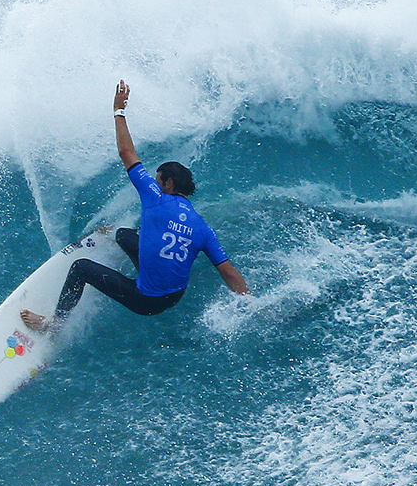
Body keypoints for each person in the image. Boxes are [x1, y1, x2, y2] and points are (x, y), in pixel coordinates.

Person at [21, 80, 248, 333]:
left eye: (158, 179)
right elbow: (228, 272)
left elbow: (127, 152)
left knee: (80, 268)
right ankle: (115, 238)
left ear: (169, 184)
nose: (154, 181)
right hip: (175, 296)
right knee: (123, 235)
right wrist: (249, 304)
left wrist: (119, 110)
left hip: (146, 300)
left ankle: (53, 324)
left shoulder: (156, 197)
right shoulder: (203, 228)